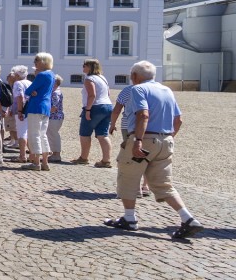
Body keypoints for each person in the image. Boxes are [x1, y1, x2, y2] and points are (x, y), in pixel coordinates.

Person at [103, 61, 204, 240]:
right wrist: (168, 139)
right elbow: (178, 120)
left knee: (128, 176)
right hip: (165, 140)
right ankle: (187, 218)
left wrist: (138, 141)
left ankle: (129, 218)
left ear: (135, 76)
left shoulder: (138, 89)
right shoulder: (167, 90)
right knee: (163, 184)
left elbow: (143, 115)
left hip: (144, 139)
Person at [75, 58, 113, 168]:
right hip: (107, 105)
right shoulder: (102, 78)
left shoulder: (89, 79)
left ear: (90, 67)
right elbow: (108, 93)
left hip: (95, 107)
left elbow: (92, 95)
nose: (83, 67)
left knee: (85, 133)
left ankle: (84, 157)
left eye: (85, 65)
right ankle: (106, 160)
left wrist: (88, 110)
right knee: (103, 134)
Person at [21, 52, 55, 171]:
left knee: (34, 134)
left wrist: (32, 91)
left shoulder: (41, 75)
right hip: (45, 107)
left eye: (37, 60)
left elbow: (28, 90)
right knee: (42, 134)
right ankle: (45, 162)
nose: (35, 63)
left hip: (36, 106)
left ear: (43, 62)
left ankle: (36, 162)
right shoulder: (51, 74)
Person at [9, 65, 31, 163]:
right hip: (30, 109)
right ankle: (31, 154)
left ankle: (22, 155)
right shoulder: (30, 82)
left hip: (22, 109)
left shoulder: (18, 83)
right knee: (29, 132)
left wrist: (19, 111)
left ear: (17, 75)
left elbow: (20, 97)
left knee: (22, 133)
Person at [47, 74, 65, 163]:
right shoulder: (55, 91)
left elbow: (54, 107)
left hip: (54, 117)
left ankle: (56, 154)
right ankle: (53, 152)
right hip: (54, 117)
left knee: (53, 134)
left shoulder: (55, 93)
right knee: (51, 134)